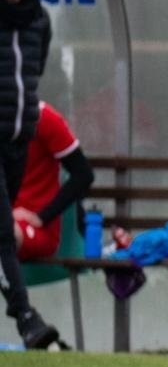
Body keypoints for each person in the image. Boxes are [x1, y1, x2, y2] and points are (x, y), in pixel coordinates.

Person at [0, 0, 60, 349]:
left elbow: (33, 73)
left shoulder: (39, 20)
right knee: (3, 233)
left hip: (16, 141)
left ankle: (27, 319)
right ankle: (26, 316)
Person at [14, 101, 95, 261]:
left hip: (34, 228)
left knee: (4, 233)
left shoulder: (43, 117)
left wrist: (42, 217)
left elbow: (84, 174)